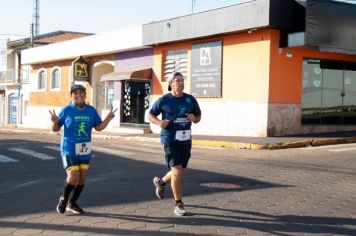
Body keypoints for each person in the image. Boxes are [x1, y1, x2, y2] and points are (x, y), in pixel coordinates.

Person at [49, 84, 117, 214]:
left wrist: (108, 118)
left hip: (84, 148)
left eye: (81, 92)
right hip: (69, 148)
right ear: (72, 96)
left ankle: (72, 203)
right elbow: (55, 129)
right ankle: (63, 199)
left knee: (82, 179)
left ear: (85, 94)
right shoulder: (66, 110)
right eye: (75, 93)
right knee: (73, 176)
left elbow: (98, 127)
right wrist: (53, 121)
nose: (78, 95)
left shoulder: (91, 110)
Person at [148, 71, 201, 216]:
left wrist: (193, 118)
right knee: (177, 171)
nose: (181, 82)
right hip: (169, 139)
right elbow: (150, 114)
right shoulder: (164, 100)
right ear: (171, 84)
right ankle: (178, 203)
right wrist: (159, 122)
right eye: (177, 80)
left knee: (181, 172)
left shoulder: (190, 100)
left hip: (185, 140)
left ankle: (161, 182)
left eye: (182, 80)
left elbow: (198, 117)